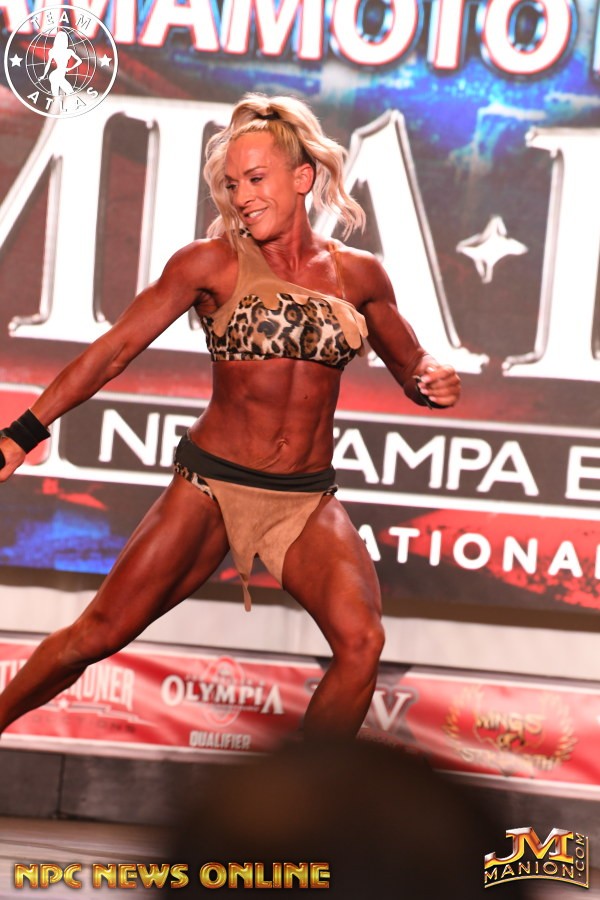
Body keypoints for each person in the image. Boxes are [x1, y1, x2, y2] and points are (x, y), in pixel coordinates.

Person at [0, 94, 460, 740]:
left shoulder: (359, 275)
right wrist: (21, 433)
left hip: (304, 499)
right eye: (234, 183)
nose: (242, 197)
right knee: (96, 634)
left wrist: (433, 378)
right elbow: (114, 351)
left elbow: (412, 366)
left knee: (362, 644)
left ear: (303, 178)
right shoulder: (210, 263)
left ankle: (300, 798)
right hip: (211, 488)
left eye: (257, 179)